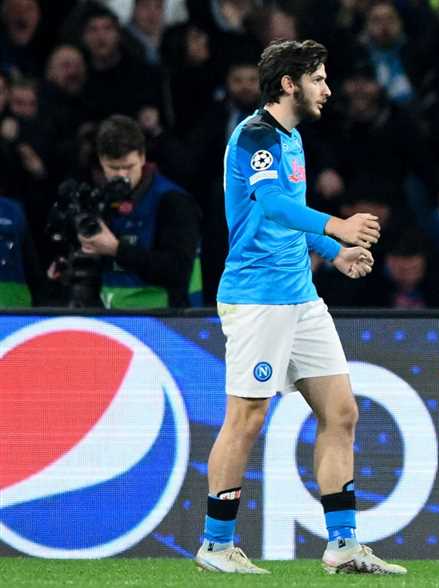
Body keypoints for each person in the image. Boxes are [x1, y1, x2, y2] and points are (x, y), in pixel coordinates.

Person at [195, 39, 404, 576]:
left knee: (342, 412)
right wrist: (337, 225)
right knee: (247, 417)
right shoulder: (256, 137)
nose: (328, 89)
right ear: (290, 84)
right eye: (318, 79)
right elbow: (271, 205)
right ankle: (216, 545)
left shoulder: (292, 137)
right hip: (257, 299)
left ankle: (343, 544)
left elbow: (288, 216)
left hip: (301, 297)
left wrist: (333, 253)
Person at [60, 114, 200, 309]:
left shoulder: (172, 201)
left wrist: (116, 249)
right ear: (101, 161)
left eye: (128, 167)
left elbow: (178, 270)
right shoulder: (103, 200)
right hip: (114, 319)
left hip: (168, 320)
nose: (122, 175)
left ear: (142, 157)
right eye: (113, 168)